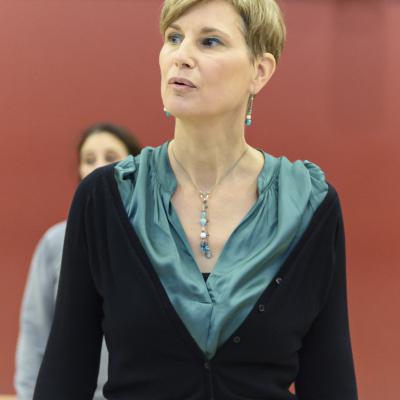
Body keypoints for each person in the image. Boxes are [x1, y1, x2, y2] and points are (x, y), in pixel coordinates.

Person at [33, 1, 358, 399]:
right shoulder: (106, 198)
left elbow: (330, 380)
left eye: (209, 41)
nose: (181, 56)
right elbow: (63, 377)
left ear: (259, 71)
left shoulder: (308, 205)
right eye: (174, 37)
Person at [14, 123, 141, 400]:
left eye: (111, 157)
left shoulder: (157, 242)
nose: (99, 167)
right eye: (89, 159)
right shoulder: (55, 243)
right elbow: (35, 336)